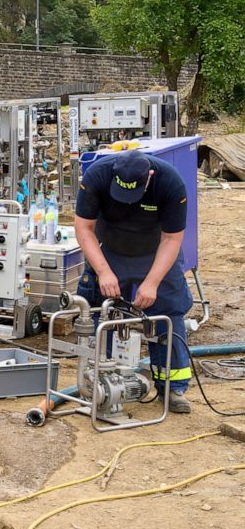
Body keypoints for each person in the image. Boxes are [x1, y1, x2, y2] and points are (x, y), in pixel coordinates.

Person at [74, 150, 193, 413]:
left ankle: (172, 388)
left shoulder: (169, 182)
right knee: (99, 312)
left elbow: (172, 239)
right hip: (110, 249)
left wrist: (151, 282)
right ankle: (98, 382)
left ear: (148, 177)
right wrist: (103, 271)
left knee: (169, 313)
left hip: (155, 252)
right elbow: (84, 228)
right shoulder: (97, 176)